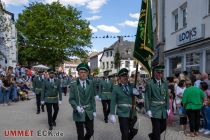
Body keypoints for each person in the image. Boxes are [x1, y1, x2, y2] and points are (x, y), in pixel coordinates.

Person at [109, 68, 139, 140]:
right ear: (119, 78)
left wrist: (138, 92)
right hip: (122, 113)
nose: (125, 77)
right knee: (125, 133)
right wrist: (112, 113)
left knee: (134, 131)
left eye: (126, 75)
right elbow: (113, 101)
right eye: (123, 76)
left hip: (133, 112)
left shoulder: (132, 86)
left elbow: (139, 96)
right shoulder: (116, 88)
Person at [69, 63, 96, 140]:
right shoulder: (73, 84)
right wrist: (76, 107)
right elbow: (71, 99)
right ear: (78, 73)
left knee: (90, 132)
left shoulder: (90, 83)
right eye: (81, 72)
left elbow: (92, 98)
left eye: (85, 72)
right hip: (78, 112)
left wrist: (94, 110)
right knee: (80, 134)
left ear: (87, 73)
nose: (83, 74)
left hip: (89, 111)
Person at [144, 65, 169, 140]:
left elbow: (167, 96)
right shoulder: (150, 83)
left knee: (163, 127)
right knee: (156, 129)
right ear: (154, 73)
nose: (160, 74)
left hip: (163, 109)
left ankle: (152, 136)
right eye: (158, 72)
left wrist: (168, 107)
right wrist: (148, 109)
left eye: (161, 73)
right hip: (154, 109)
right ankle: (155, 136)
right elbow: (147, 97)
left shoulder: (164, 83)